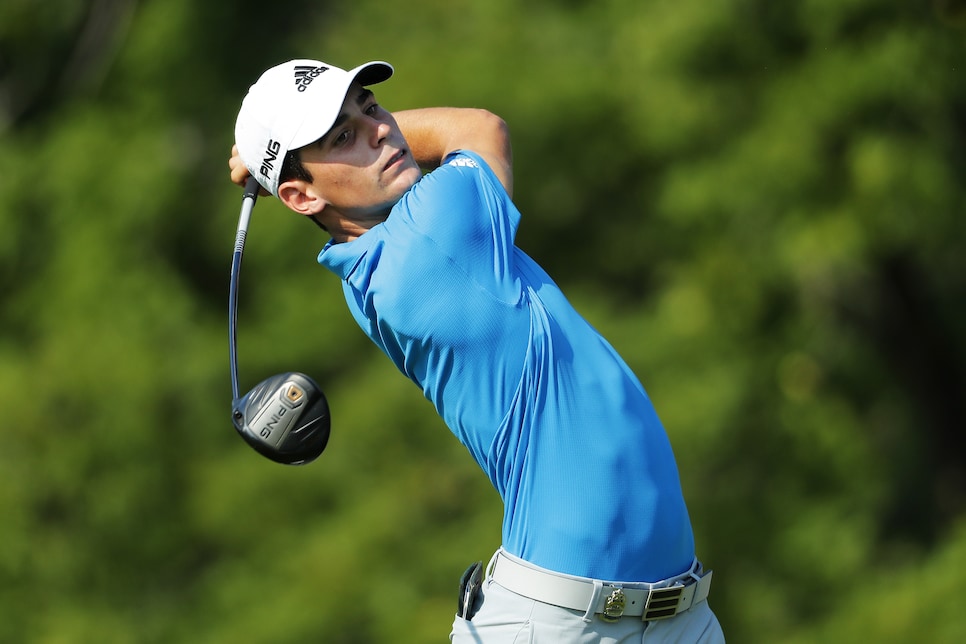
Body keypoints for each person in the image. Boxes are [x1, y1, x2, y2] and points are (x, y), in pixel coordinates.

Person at [229, 58, 725, 643]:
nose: (382, 130)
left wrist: (289, 157)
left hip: (670, 617)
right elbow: (479, 127)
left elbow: (418, 145)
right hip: (566, 627)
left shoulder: (370, 267)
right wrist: (269, 161)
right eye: (344, 137)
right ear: (299, 196)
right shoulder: (431, 236)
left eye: (371, 108)